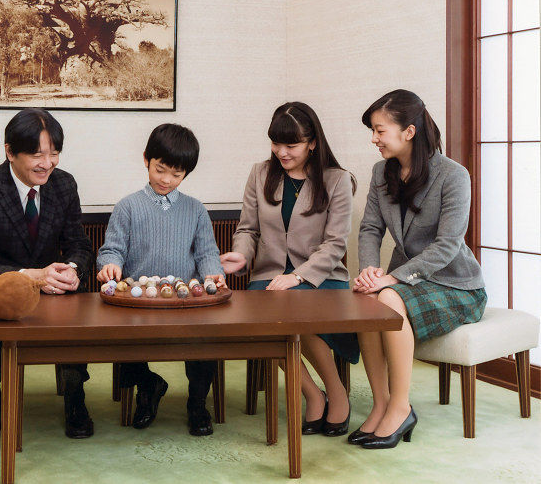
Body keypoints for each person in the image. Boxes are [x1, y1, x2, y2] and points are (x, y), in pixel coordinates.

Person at [350, 89, 486, 449]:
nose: (374, 139)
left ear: (409, 131)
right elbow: (370, 228)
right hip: (407, 281)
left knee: (387, 296)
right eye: (373, 131)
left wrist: (389, 278)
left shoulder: (453, 175)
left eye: (380, 130)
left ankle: (401, 408)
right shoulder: (381, 172)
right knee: (367, 297)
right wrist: (370, 271)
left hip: (456, 285)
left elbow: (448, 245)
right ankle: (380, 404)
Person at [220, 102, 357, 437]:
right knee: (273, 312)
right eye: (275, 143)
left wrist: (297, 276)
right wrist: (240, 255)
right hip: (268, 278)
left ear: (312, 142)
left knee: (291, 309)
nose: (281, 152)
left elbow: (335, 244)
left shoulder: (337, 180)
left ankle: (336, 392)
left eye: (291, 145)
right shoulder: (260, 173)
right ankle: (314, 394)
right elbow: (248, 229)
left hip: (322, 279)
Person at [0, 108, 94, 441]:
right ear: (10, 152)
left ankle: (75, 396)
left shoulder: (64, 185)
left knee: (74, 299)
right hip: (1, 285)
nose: (47, 163)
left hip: (52, 286)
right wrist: (29, 276)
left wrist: (73, 270)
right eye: (37, 155)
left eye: (54, 153)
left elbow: (79, 245)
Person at [96, 123, 226, 436]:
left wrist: (214, 273)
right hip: (138, 302)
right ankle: (148, 387)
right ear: (146, 160)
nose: (166, 180)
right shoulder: (127, 207)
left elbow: (207, 253)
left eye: (176, 174)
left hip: (185, 302)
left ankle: (197, 403)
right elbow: (112, 249)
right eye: (160, 169)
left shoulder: (195, 210)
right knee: (121, 341)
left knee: (205, 341)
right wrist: (110, 265)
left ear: (186, 174)